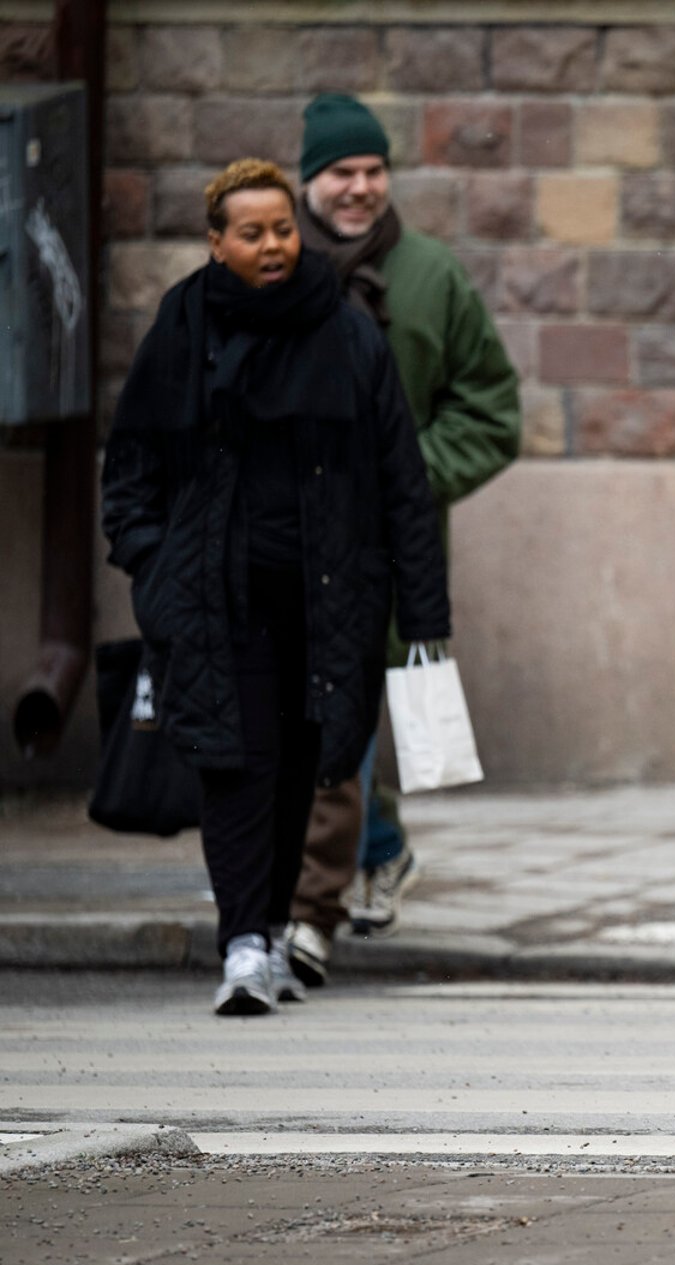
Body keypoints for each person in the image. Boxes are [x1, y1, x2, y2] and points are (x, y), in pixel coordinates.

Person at [101, 159, 449, 1015]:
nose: (271, 246)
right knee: (236, 768)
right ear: (217, 243)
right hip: (218, 600)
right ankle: (244, 944)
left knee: (305, 768)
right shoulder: (185, 329)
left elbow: (401, 478)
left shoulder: (346, 330)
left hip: (327, 601)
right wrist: (156, 561)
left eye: (282, 229)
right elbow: (133, 463)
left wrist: (424, 610)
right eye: (250, 233)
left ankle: (275, 930)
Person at [284, 94, 521, 987]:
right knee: (308, 720)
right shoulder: (269, 265)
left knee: (348, 718)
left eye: (373, 172)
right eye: (342, 173)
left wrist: (403, 475)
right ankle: (370, 852)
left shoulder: (431, 277)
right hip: (287, 542)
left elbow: (493, 413)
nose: (359, 188)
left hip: (390, 549)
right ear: (310, 179)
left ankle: (323, 893)